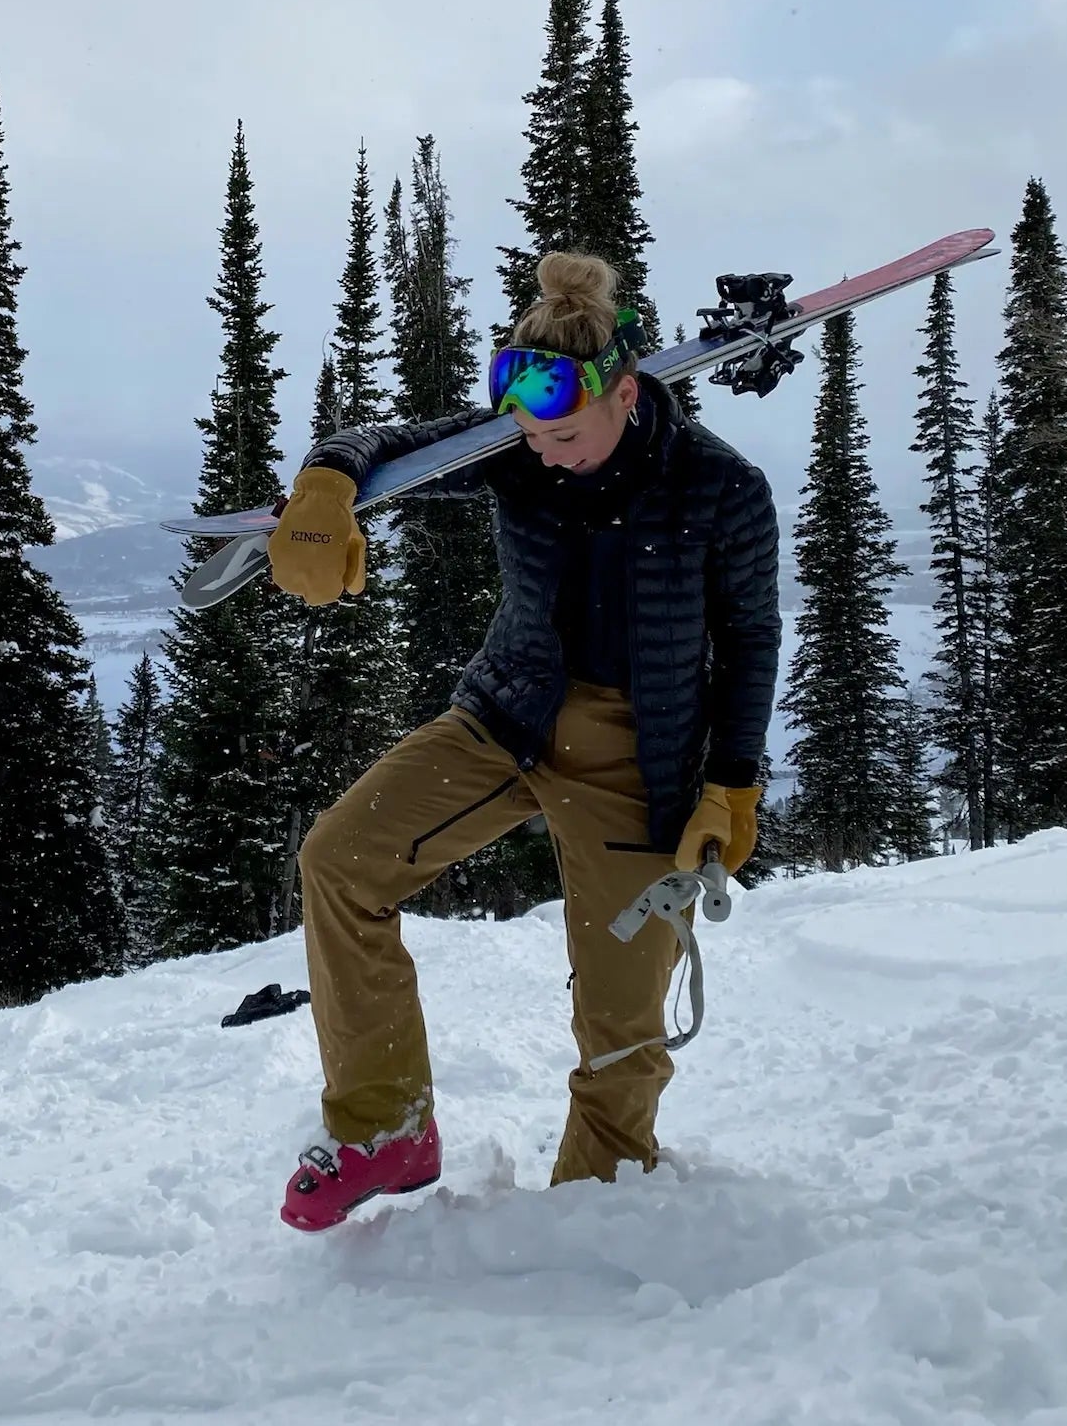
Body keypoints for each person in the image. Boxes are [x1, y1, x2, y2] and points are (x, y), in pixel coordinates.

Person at [267, 251, 780, 1232]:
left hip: (641, 752)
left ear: (628, 393)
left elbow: (751, 639)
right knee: (340, 860)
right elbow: (387, 441)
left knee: (621, 1024)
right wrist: (328, 483)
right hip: (507, 715)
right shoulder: (514, 443)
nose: (542, 453)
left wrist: (733, 784)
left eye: (566, 435)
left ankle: (597, 1203)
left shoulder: (721, 489)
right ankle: (385, 1129)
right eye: (529, 433)